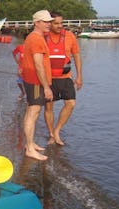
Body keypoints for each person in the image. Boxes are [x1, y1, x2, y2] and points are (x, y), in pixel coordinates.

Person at [44, 12, 83, 145]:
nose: (59, 26)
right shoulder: (43, 36)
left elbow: (77, 55)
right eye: (56, 23)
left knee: (71, 103)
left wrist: (79, 76)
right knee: (49, 107)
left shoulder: (70, 36)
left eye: (61, 23)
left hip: (66, 77)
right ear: (49, 23)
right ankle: (51, 134)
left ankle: (57, 131)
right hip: (48, 79)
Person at [21, 10, 54, 161]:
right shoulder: (36, 39)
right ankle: (29, 148)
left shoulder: (35, 37)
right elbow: (38, 65)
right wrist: (46, 87)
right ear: (36, 22)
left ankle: (30, 143)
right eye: (45, 21)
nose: (49, 24)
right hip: (35, 82)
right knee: (33, 113)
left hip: (32, 80)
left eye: (49, 21)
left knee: (31, 112)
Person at [12, 35, 27, 100]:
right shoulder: (20, 47)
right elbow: (14, 52)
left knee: (28, 82)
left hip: (29, 68)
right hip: (21, 67)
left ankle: (29, 95)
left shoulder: (32, 48)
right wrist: (16, 60)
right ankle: (23, 92)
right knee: (19, 82)